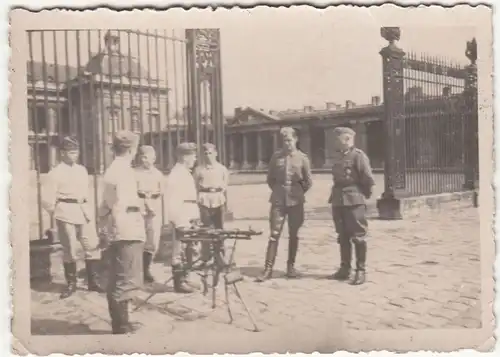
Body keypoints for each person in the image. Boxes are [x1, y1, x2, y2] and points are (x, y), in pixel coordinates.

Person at [41, 136, 105, 299]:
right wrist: (56, 212)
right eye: (70, 152)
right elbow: (47, 199)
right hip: (66, 211)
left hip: (83, 210)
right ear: (62, 153)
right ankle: (71, 283)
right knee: (69, 248)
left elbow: (86, 193)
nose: (74, 155)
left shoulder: (82, 170)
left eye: (76, 152)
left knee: (91, 245)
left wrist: (90, 210)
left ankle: (93, 282)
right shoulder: (55, 173)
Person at [97, 130, 145, 334]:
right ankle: (120, 324)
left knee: (121, 276)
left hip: (120, 227)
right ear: (132, 149)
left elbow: (107, 204)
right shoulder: (123, 171)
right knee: (125, 277)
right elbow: (121, 205)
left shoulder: (114, 169)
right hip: (127, 228)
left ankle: (122, 321)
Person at [256, 127, 313, 282]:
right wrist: (279, 192)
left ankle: (290, 267)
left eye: (289, 140)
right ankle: (268, 269)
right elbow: (270, 179)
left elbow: (308, 181)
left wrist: (297, 193)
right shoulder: (276, 157)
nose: (287, 143)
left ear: (296, 139)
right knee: (274, 235)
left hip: (296, 201)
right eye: (284, 140)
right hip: (278, 200)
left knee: (294, 234)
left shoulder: (302, 158)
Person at [328, 126, 375, 286]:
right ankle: (344, 268)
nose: (335, 141)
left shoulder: (358, 156)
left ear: (347, 139)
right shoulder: (338, 157)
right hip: (338, 200)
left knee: (358, 236)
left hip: (354, 200)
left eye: (338, 138)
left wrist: (362, 197)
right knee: (342, 236)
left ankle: (360, 270)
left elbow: (367, 178)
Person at [165, 142, 200, 294]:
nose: (195, 158)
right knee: (179, 249)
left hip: (189, 213)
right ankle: (179, 283)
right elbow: (173, 200)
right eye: (192, 155)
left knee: (189, 248)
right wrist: (177, 220)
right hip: (182, 216)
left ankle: (185, 278)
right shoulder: (176, 174)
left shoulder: (184, 172)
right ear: (184, 157)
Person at [135, 145, 167, 284]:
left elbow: (163, 194)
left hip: (154, 205)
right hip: (139, 204)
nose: (146, 160)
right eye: (143, 157)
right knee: (138, 237)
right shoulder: (134, 173)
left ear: (154, 158)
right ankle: (137, 270)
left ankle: (147, 268)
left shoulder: (158, 174)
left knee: (152, 239)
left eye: (148, 157)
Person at [193, 143, 229, 261]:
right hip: (204, 199)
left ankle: (220, 254)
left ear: (216, 153)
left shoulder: (222, 169)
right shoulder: (199, 170)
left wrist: (225, 202)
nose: (208, 156)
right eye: (206, 153)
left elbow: (225, 186)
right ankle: (206, 256)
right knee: (205, 228)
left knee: (219, 228)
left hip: (218, 198)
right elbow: (195, 186)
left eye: (210, 153)